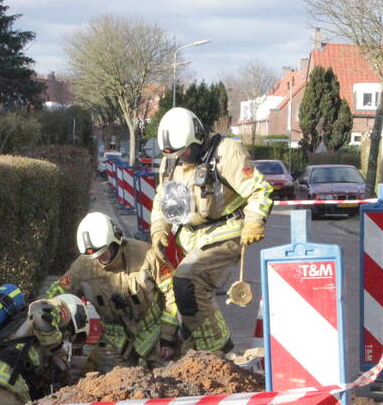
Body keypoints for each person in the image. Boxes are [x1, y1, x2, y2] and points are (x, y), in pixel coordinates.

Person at [149, 108, 273, 353]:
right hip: (191, 234)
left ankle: (219, 352)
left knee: (187, 280)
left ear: (198, 138)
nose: (181, 157)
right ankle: (195, 353)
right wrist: (158, 230)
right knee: (185, 296)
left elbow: (261, 190)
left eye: (185, 151)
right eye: (175, 154)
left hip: (227, 229)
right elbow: (162, 199)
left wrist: (255, 221)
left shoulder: (227, 153)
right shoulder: (171, 160)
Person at [45, 212, 179, 371]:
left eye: (103, 253)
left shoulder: (146, 255)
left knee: (171, 378)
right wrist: (44, 309)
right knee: (107, 385)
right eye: (94, 257)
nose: (98, 260)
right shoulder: (82, 267)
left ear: (115, 242)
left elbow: (173, 292)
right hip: (115, 342)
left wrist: (168, 337)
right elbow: (58, 293)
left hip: (156, 336)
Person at [0, 294, 99, 405]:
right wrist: (58, 349)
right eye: (67, 332)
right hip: (1, 386)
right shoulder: (58, 307)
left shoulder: (23, 325)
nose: (64, 338)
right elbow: (40, 313)